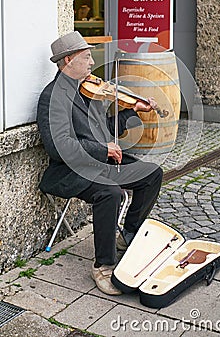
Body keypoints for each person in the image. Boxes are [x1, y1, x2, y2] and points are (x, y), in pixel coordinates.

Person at [37, 31, 163, 295]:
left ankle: (127, 235)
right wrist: (102, 149)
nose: (92, 63)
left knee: (152, 174)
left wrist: (131, 111)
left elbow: (106, 129)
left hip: (98, 162)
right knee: (109, 192)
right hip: (70, 170)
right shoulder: (52, 97)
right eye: (86, 57)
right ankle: (103, 266)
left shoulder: (90, 90)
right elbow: (59, 147)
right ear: (68, 60)